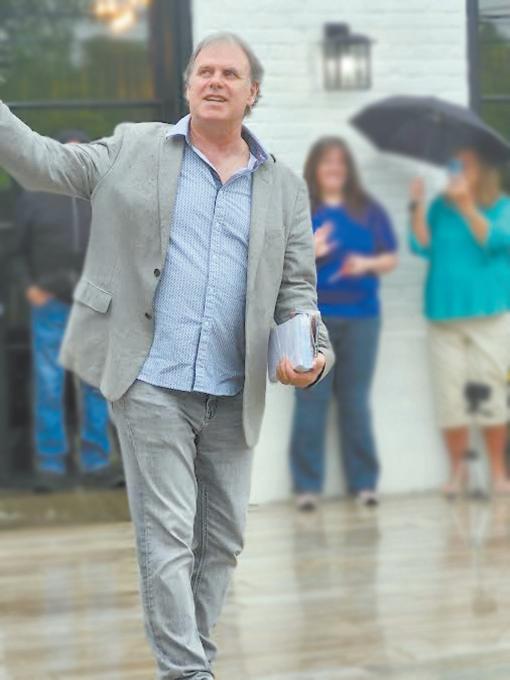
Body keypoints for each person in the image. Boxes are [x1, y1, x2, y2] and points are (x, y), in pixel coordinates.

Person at [0, 32, 333, 679]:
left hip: (233, 389)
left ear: (252, 93)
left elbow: (297, 291)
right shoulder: (133, 147)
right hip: (149, 377)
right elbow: (42, 163)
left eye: (229, 73)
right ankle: (188, 672)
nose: (215, 81)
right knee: (169, 535)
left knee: (223, 541)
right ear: (187, 87)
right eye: (204, 71)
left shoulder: (285, 189)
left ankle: (189, 658)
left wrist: (312, 355)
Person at [289, 137, 398, 510]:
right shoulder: (301, 209)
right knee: (311, 401)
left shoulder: (368, 210)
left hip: (362, 319)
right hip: (312, 322)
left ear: (348, 169)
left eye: (340, 162)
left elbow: (389, 258)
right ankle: (306, 487)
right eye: (326, 161)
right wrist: (312, 251)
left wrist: (365, 264)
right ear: (315, 168)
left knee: (355, 402)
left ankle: (364, 484)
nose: (334, 168)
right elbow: (281, 262)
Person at [13, 130, 112, 489]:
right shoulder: (34, 196)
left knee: (95, 388)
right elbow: (15, 250)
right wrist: (30, 288)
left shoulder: (103, 197)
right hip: (50, 305)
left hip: (93, 305)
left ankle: (97, 463)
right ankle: (50, 465)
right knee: (49, 385)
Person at [409, 148, 510, 497]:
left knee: (490, 393)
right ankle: (458, 473)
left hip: (489, 314)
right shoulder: (440, 207)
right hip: (443, 313)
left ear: (483, 171)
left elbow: (497, 242)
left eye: (466, 166)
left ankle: (498, 473)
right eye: (455, 165)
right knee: (449, 398)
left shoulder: (501, 206)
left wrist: (467, 205)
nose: (458, 171)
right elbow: (422, 246)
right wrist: (417, 205)